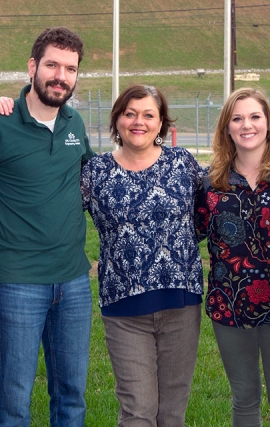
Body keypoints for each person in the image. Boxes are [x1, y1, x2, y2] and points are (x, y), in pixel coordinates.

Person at [0, 27, 94, 427]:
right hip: (16, 282)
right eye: (52, 65)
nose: (61, 76)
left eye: (70, 68)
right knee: (13, 398)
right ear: (33, 67)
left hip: (73, 282)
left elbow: (88, 180)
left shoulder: (74, 124)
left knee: (71, 397)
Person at [80, 84, 204, 427]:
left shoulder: (183, 164)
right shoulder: (96, 171)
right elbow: (57, 216)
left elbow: (213, 214)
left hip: (180, 303)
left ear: (161, 122)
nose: (139, 122)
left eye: (149, 114)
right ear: (117, 120)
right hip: (124, 307)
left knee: (171, 413)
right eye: (130, 113)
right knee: (138, 411)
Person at [195, 87, 270, 427]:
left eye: (255, 116)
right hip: (229, 302)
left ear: (268, 124)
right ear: (227, 128)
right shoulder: (210, 182)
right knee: (244, 397)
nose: (247, 125)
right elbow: (192, 231)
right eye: (237, 118)